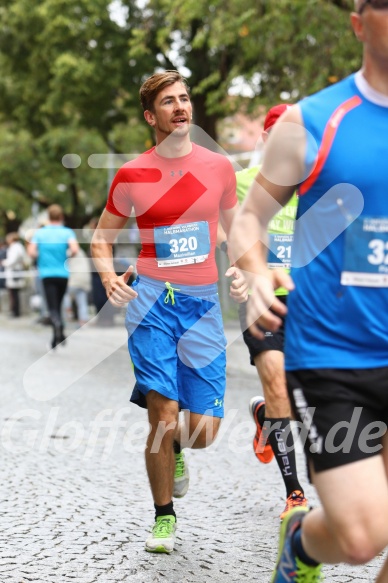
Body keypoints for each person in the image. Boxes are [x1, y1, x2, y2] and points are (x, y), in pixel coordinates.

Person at [230, 1, 388, 581]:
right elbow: (248, 219)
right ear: (358, 22)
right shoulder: (314, 119)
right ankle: (300, 541)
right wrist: (254, 273)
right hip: (335, 356)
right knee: (362, 534)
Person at [91, 70, 247, 554]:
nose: (180, 107)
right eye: (168, 102)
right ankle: (163, 516)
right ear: (150, 116)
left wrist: (241, 268)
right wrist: (109, 276)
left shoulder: (219, 167)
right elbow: (101, 239)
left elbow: (232, 231)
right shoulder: (132, 173)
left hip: (201, 305)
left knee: (202, 431)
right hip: (151, 299)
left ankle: (178, 448)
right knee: (163, 410)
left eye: (184, 98)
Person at [235, 105, 307, 520]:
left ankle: (265, 414)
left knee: (310, 393)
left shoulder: (316, 188)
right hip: (262, 301)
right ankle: (294, 493)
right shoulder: (242, 183)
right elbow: (229, 230)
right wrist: (242, 266)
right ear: (264, 139)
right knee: (277, 385)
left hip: (310, 303)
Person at [28, 204, 79, 349]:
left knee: (52, 307)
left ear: (48, 217)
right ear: (61, 216)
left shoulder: (40, 233)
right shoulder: (67, 232)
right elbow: (74, 249)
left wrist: (41, 257)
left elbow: (31, 252)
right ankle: (59, 336)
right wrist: (66, 256)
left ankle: (56, 325)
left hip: (46, 274)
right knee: (59, 303)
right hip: (63, 274)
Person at [2, 232, 28, 318]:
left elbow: (12, 260)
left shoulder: (15, 247)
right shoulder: (17, 247)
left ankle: (15, 311)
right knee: (14, 293)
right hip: (14, 272)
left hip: (14, 272)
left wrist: (4, 262)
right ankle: (14, 310)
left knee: (14, 293)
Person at [64, 247, 92, 326]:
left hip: (74, 278)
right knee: (82, 301)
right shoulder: (81, 251)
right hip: (85, 279)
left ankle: (68, 312)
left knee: (65, 294)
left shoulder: (68, 251)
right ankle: (83, 320)